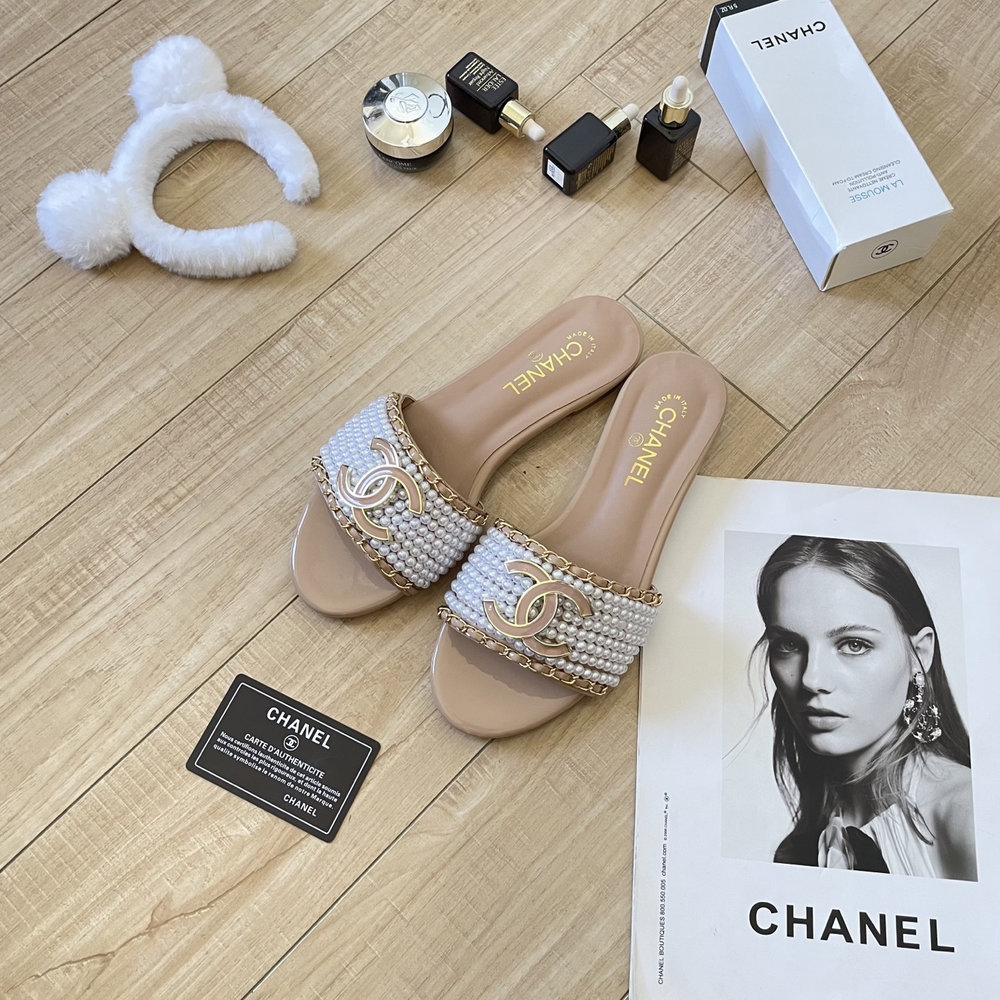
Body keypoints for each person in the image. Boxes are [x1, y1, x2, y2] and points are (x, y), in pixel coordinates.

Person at [752, 535, 976, 880]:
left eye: (854, 644)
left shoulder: (969, 814)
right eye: (789, 645)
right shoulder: (808, 841)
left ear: (920, 655)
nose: (812, 679)